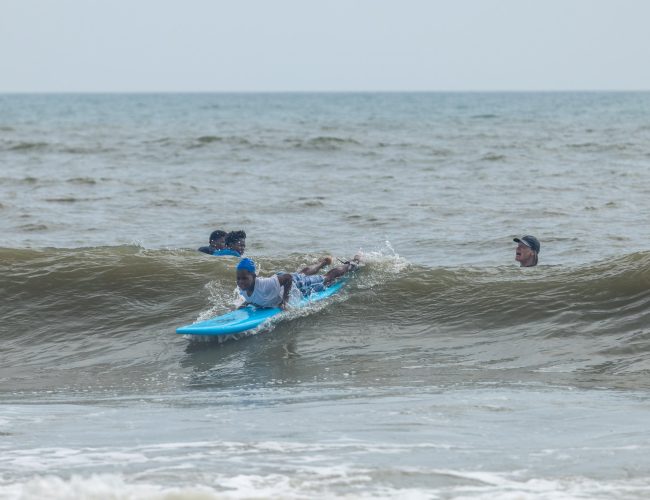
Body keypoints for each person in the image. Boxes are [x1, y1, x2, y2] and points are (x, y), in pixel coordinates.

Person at [236, 255, 361, 310]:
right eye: (238, 278)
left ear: (254, 276)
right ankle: (324, 262)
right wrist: (245, 304)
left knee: (326, 278)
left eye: (244, 278)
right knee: (302, 273)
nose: (240, 282)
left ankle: (352, 263)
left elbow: (288, 278)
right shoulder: (244, 287)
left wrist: (286, 300)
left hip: (295, 284)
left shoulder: (265, 284)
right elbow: (253, 295)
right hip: (280, 279)